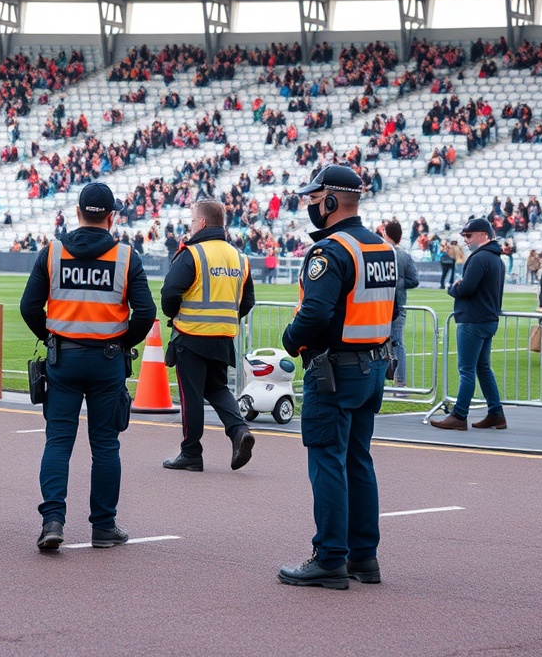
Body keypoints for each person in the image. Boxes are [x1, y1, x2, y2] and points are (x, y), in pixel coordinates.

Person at [277, 165, 396, 590]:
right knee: (358, 460)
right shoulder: (382, 247)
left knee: (327, 459)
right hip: (374, 365)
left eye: (313, 199)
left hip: (335, 370)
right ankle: (364, 557)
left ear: (329, 201)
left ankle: (329, 556)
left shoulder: (331, 250)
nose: (310, 206)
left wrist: (290, 340)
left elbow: (315, 313)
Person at [19, 182, 156, 552]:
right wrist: (124, 341)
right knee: (106, 445)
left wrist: (51, 336)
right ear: (111, 217)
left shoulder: (52, 252)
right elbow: (146, 312)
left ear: (77, 212)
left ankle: (53, 520)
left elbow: (29, 308)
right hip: (108, 358)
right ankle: (104, 526)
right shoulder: (127, 257)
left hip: (63, 357)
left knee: (58, 441)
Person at [160, 200, 256, 473]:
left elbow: (169, 293)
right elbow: (247, 301)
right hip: (223, 337)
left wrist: (175, 315)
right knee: (217, 388)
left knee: (191, 396)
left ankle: (191, 453)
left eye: (192, 221)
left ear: (201, 223)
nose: (190, 226)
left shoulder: (193, 253)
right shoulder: (239, 257)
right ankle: (239, 432)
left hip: (191, 335)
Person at [431, 218, 507, 432]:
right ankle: (496, 413)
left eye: (468, 236)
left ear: (483, 235)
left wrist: (453, 288)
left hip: (473, 319)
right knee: (483, 368)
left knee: (466, 370)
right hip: (488, 319)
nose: (465, 240)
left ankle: (459, 414)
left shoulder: (479, 258)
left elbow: (466, 289)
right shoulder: (497, 260)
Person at [380, 221, 419, 388]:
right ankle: (400, 382)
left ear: (385, 234)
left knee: (381, 343)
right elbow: (414, 280)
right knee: (397, 344)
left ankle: (383, 381)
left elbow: (414, 280)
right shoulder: (403, 255)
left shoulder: (381, 253)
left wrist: (396, 282)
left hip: (382, 305)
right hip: (397, 306)